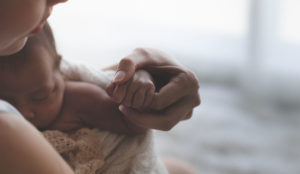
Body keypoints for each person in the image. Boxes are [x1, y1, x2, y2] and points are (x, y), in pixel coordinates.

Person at [0, 0, 200, 173]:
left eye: (40, 97)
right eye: (8, 101)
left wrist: (137, 92)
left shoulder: (76, 100)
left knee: (180, 169)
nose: (25, 112)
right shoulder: (8, 131)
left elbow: (129, 120)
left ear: (60, 74)